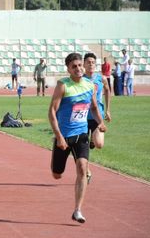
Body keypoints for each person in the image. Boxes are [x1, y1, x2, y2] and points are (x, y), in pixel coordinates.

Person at [48, 52, 106, 224]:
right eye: (74, 66)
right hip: (64, 137)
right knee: (56, 174)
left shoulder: (90, 85)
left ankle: (77, 210)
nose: (79, 68)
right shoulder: (63, 86)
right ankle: (56, 165)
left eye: (80, 65)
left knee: (82, 168)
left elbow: (94, 108)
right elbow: (52, 111)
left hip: (81, 135)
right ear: (68, 69)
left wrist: (100, 122)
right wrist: (58, 136)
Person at [83, 53, 111, 183]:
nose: (91, 64)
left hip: (97, 115)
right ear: (84, 64)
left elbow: (108, 91)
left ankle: (93, 140)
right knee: (83, 148)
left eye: (93, 62)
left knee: (99, 144)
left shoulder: (102, 78)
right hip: (82, 117)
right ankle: (87, 171)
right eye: (88, 62)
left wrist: (108, 110)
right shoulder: (80, 79)